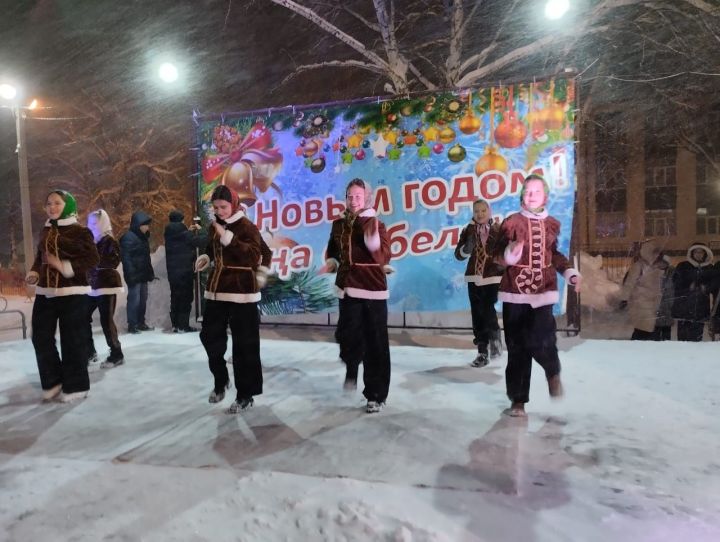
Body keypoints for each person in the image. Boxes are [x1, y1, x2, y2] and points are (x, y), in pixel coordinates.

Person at [494, 174, 581, 418]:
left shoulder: (551, 224)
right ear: (522, 195)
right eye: (527, 191)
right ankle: (518, 401)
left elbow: (554, 254)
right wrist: (509, 254)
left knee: (542, 339)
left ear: (546, 196)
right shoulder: (511, 223)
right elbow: (497, 257)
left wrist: (569, 273)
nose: (531, 195)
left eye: (536, 191)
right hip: (514, 293)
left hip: (543, 292)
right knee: (517, 348)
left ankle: (552, 372)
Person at [325, 178, 392, 414]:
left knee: (376, 342)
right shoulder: (338, 224)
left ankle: (375, 394)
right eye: (350, 196)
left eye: (358, 197)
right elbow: (333, 250)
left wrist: (372, 240)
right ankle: (352, 365)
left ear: (367, 199)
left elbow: (384, 255)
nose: (353, 201)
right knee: (347, 333)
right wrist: (331, 263)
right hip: (348, 287)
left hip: (373, 288)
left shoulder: (376, 224)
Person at [195, 185, 264, 413]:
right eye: (216, 207)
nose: (220, 211)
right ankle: (221, 379)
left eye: (223, 207)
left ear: (233, 205)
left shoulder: (247, 227)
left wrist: (228, 238)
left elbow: (254, 256)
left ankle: (246, 394)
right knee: (209, 336)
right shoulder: (214, 225)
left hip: (242, 292)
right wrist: (206, 257)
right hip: (217, 291)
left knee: (244, 345)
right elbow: (212, 248)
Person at [25, 190, 99, 402]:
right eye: (48, 203)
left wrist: (65, 266)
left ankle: (76, 386)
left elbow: (92, 259)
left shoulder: (80, 232)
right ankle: (53, 380)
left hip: (73, 293)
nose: (52, 207)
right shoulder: (45, 230)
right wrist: (34, 272)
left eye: (57, 203)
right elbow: (41, 257)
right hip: (45, 292)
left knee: (72, 340)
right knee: (40, 337)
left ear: (67, 206)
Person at [454, 199, 504, 367]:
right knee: (477, 313)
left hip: (493, 277)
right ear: (473, 213)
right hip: (473, 278)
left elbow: (506, 252)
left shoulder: (498, 229)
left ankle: (495, 336)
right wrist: (466, 249)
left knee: (487, 308)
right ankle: (482, 351)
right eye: (477, 211)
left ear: (489, 211)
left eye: (483, 210)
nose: (480, 214)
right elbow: (458, 255)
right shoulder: (468, 230)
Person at [86, 209, 125, 367]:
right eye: (90, 224)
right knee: (82, 317)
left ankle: (117, 353)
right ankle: (89, 352)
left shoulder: (109, 240)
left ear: (102, 223)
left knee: (106, 320)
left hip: (107, 284)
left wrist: (94, 262)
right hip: (93, 286)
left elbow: (113, 262)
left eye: (95, 223)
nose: (92, 227)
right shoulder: (91, 241)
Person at [619, 239, 673, 340]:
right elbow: (629, 283)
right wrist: (624, 298)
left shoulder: (659, 266)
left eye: (658, 253)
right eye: (654, 252)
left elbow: (663, 284)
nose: (657, 255)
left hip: (654, 303)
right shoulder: (639, 266)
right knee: (643, 329)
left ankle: (641, 348)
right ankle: (637, 348)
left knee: (647, 330)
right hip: (641, 302)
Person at [164, 209, 207, 332]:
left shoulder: (169, 233)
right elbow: (201, 241)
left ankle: (175, 325)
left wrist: (188, 231)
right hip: (184, 272)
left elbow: (183, 239)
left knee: (176, 297)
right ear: (181, 220)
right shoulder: (185, 234)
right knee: (186, 298)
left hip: (172, 273)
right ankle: (183, 326)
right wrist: (201, 229)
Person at [671, 242, 716, 341]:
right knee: (682, 340)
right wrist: (688, 287)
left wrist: (706, 288)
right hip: (683, 309)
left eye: (701, 252)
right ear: (691, 253)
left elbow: (715, 284)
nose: (698, 254)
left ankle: (694, 356)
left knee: (696, 341)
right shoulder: (683, 266)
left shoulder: (709, 268)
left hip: (701, 309)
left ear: (705, 254)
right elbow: (675, 282)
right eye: (696, 252)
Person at [120, 211, 155, 333]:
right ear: (138, 225)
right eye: (145, 225)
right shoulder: (128, 238)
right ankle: (132, 325)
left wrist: (150, 273)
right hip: (134, 275)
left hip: (142, 274)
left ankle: (141, 322)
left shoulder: (143, 238)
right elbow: (126, 258)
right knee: (134, 300)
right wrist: (131, 274)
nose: (147, 227)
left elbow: (146, 258)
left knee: (142, 299)